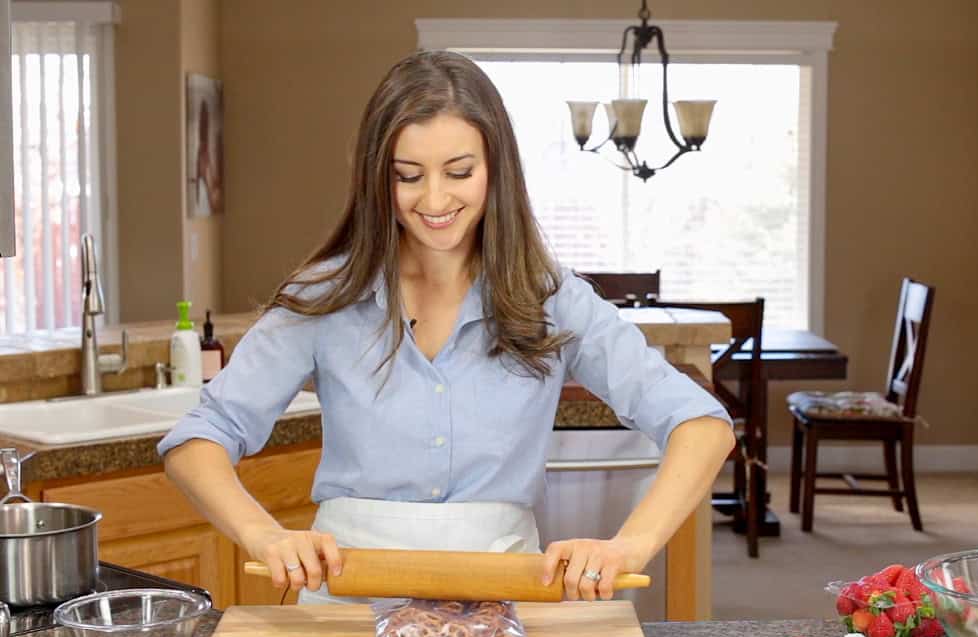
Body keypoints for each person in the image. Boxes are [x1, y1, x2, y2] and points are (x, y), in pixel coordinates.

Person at [158, 50, 735, 605]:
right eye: (408, 176)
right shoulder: (324, 297)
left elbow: (701, 424)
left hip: (505, 598)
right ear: (376, 178)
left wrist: (629, 546)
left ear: (495, 169)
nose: (434, 199)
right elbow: (198, 438)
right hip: (348, 600)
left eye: (459, 172)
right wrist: (266, 536)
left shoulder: (551, 297)